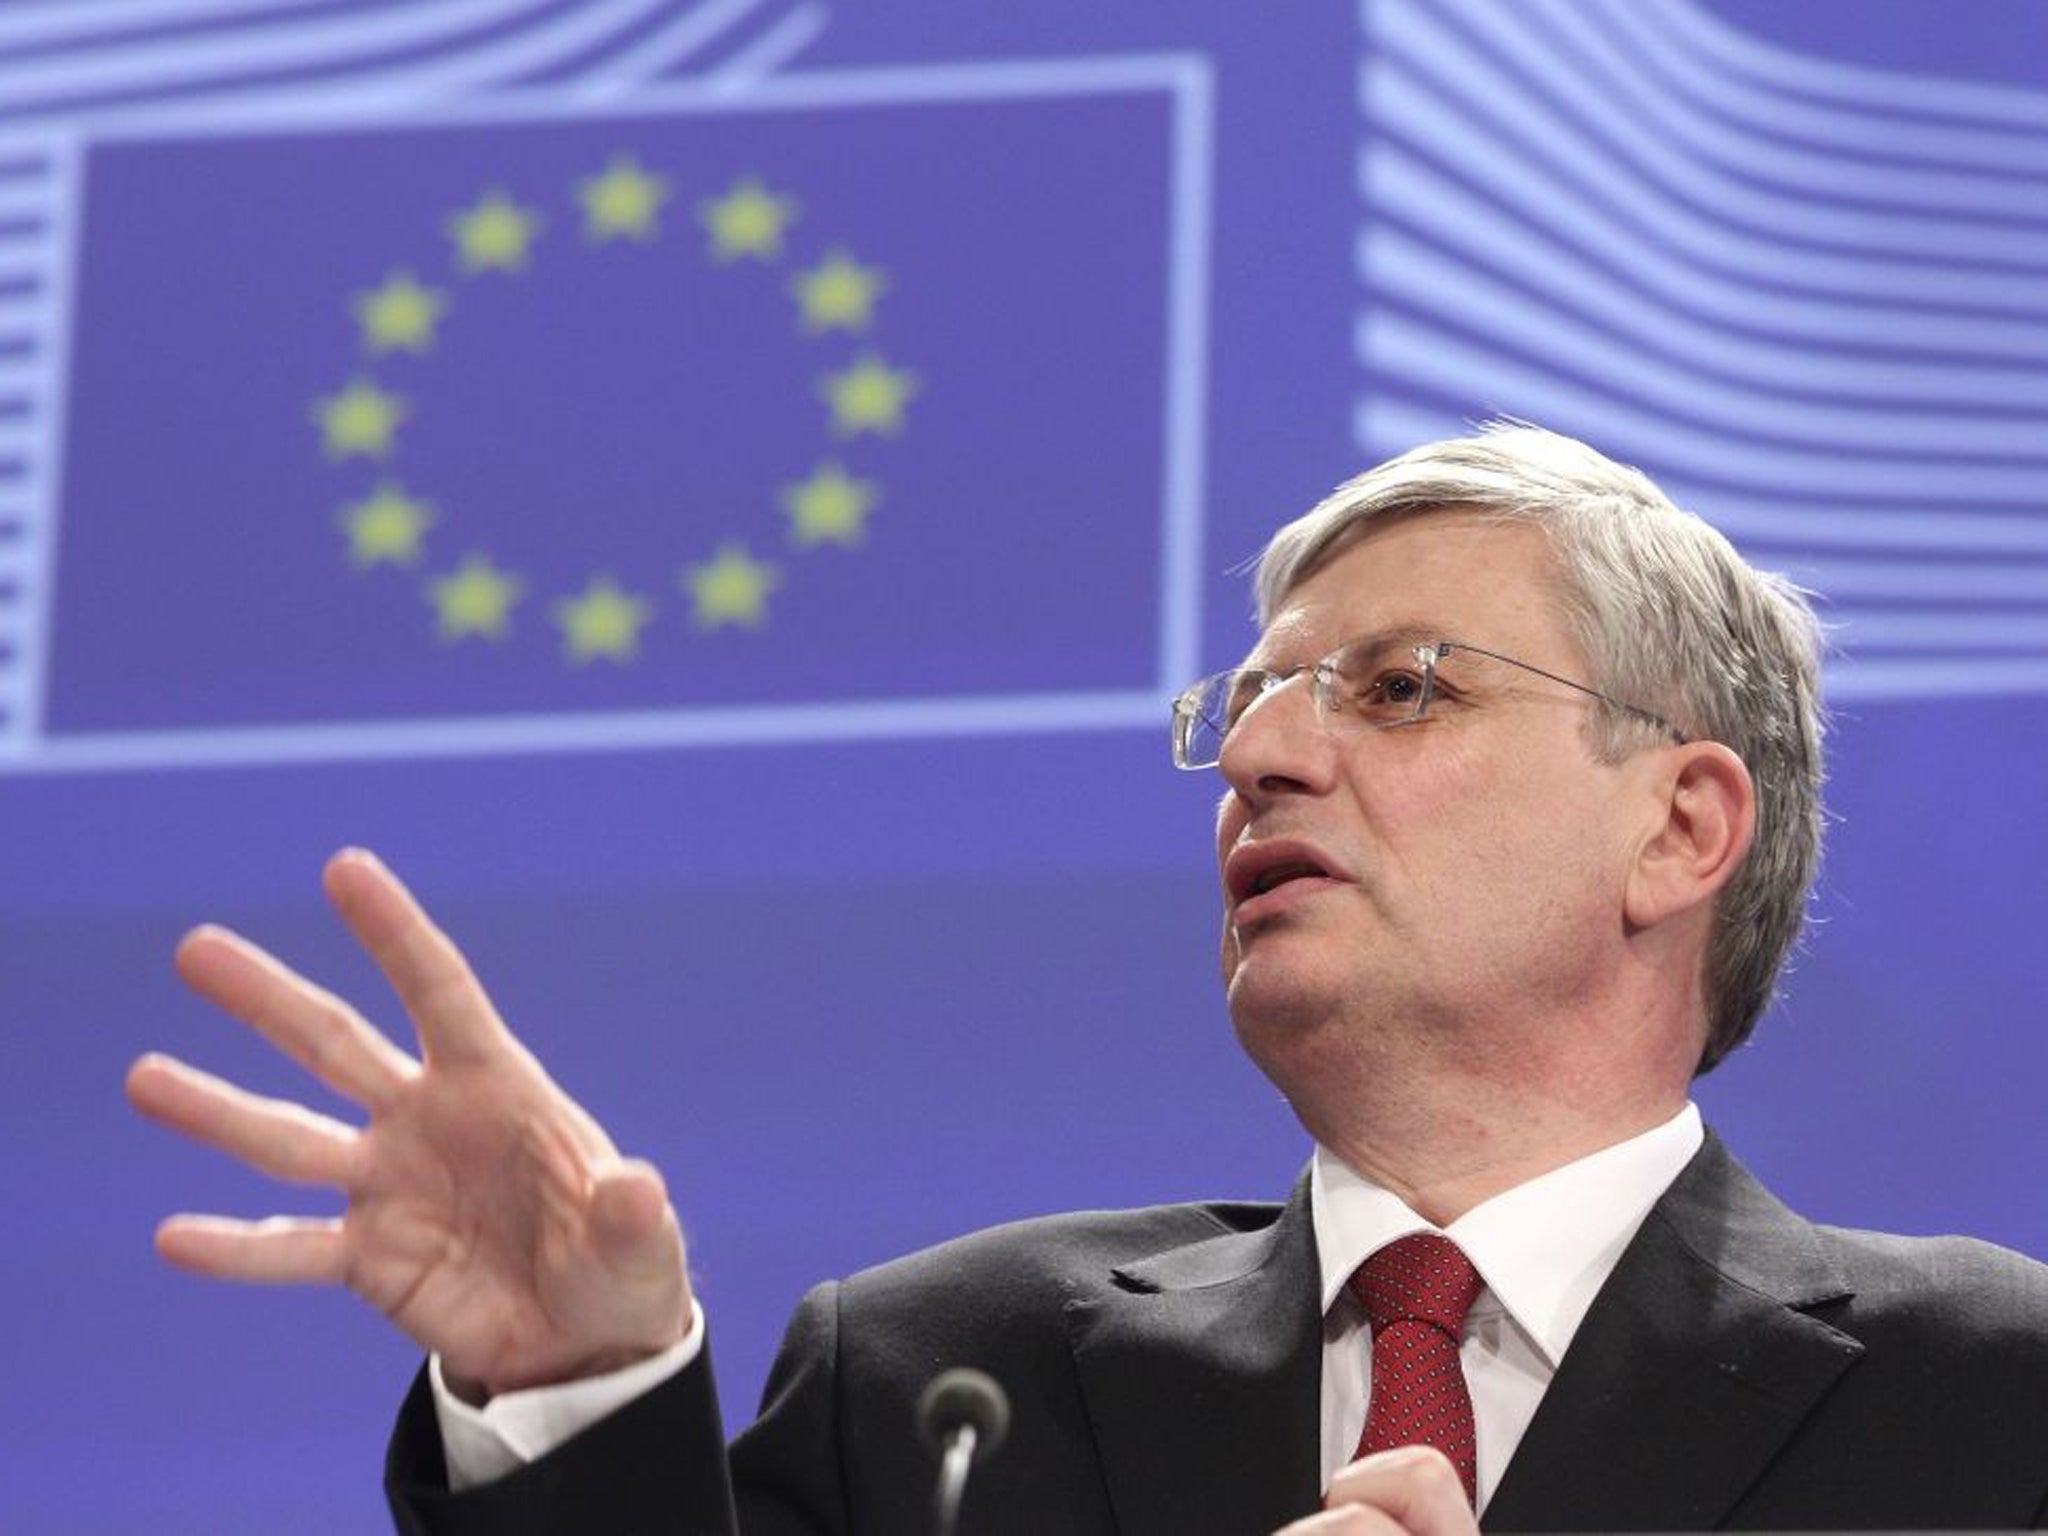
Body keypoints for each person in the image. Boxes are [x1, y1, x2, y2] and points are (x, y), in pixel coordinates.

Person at [128, 425, 2048, 1534]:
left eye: (1399, 689)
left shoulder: (1990, 1403)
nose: (1260, 760)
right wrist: (576, 1397)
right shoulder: (939, 1386)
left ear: (1681, 827)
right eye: (1249, 704)